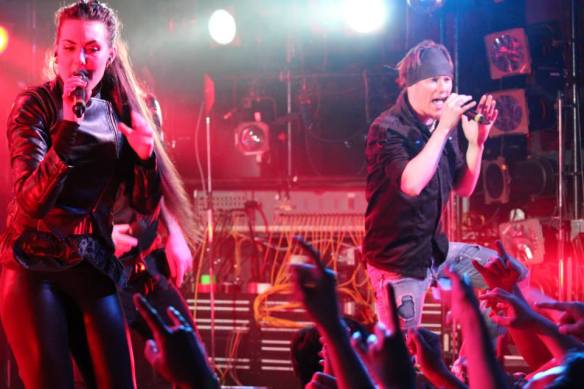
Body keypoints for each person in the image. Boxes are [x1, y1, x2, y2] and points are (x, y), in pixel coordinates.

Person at [0, 1, 162, 388]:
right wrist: (69, 127)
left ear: (109, 52)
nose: (80, 60)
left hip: (93, 265)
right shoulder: (34, 107)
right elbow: (32, 201)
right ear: (56, 53)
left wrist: (146, 158)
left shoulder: (129, 110)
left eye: (91, 48)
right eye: (69, 47)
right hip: (34, 266)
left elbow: (145, 211)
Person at [363, 39, 499, 330]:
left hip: (434, 250)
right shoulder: (387, 129)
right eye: (433, 80)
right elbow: (411, 184)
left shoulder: (440, 127)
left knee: (509, 275)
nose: (444, 88)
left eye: (447, 79)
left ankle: (471, 360)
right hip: (398, 264)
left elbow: (464, 187)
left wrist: (477, 142)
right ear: (410, 84)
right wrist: (444, 129)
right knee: (404, 353)